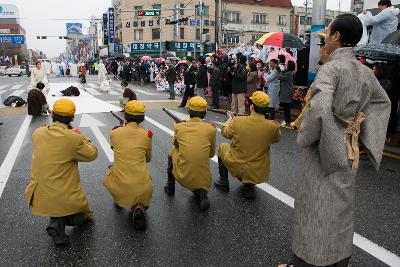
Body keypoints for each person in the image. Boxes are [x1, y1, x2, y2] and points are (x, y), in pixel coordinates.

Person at [279, 14, 391, 267]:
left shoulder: (331, 68)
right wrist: (358, 131)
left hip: (324, 150)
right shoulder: (365, 72)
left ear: (336, 36)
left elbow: (319, 109)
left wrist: (308, 136)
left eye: (327, 33)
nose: (325, 39)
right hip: (348, 148)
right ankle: (339, 261)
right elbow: (382, 102)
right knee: (340, 210)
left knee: (315, 207)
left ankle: (306, 262)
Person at [24, 99, 98, 246]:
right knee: (82, 217)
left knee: (56, 202)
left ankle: (56, 220)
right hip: (64, 196)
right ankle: (61, 221)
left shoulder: (38, 133)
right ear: (72, 118)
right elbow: (92, 154)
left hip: (40, 194)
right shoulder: (73, 138)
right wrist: (80, 135)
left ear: (52, 115)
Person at [215, 91, 282, 199]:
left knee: (222, 146)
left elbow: (225, 133)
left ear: (251, 106)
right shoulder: (273, 127)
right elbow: (276, 139)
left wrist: (230, 120)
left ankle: (223, 182)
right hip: (256, 172)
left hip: (237, 166)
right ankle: (249, 186)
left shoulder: (238, 121)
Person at [104, 100, 153, 230]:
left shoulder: (114, 133)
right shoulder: (146, 135)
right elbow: (148, 158)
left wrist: (121, 128)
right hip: (143, 183)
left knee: (112, 170)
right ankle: (138, 207)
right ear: (142, 118)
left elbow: (116, 148)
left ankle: (119, 198)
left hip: (122, 180)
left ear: (125, 115)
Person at [164, 96, 217, 211]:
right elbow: (211, 154)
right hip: (204, 179)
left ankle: (170, 186)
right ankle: (202, 193)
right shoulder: (211, 129)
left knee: (172, 152)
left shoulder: (180, 127)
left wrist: (177, 128)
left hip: (183, 174)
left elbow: (176, 144)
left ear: (188, 111)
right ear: (205, 112)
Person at [278, 61, 296, 126]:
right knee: (287, 107)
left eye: (287, 65)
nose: (286, 65)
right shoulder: (290, 73)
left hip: (286, 92)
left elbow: (279, 77)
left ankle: (286, 121)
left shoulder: (288, 73)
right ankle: (286, 120)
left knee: (286, 108)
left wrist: (281, 71)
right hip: (287, 91)